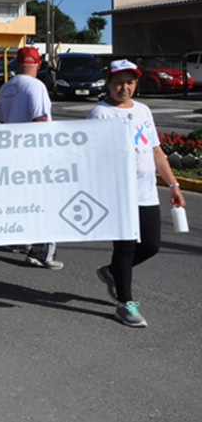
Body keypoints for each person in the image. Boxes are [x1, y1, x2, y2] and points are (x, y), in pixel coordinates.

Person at [89, 59, 185, 327]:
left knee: (151, 245)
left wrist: (173, 185)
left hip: (146, 192)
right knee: (126, 248)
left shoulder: (143, 111)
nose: (125, 87)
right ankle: (124, 304)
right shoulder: (100, 114)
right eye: (119, 82)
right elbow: (90, 158)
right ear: (108, 82)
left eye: (130, 82)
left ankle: (112, 272)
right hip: (118, 194)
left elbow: (156, 151)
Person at [0, 46, 62, 269]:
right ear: (39, 65)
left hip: (13, 155)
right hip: (35, 155)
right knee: (48, 203)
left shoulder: (5, 88)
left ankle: (21, 239)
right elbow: (40, 120)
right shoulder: (36, 86)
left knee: (24, 200)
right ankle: (43, 252)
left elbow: (3, 124)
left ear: (17, 64)